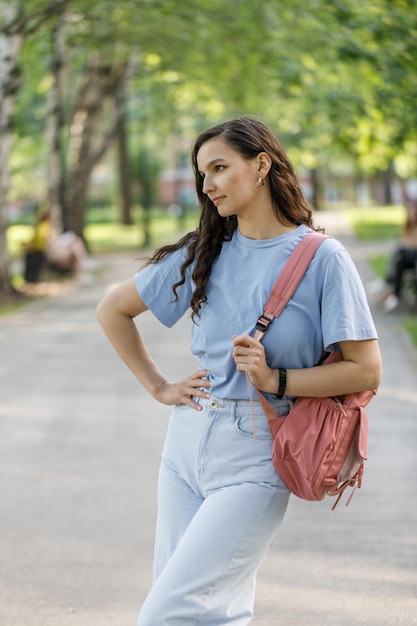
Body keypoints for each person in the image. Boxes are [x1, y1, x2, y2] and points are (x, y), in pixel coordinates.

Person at [96, 117, 381, 625]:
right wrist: (160, 387)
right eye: (202, 173)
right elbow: (112, 309)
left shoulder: (322, 259)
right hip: (184, 447)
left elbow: (366, 370)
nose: (206, 186)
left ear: (262, 166)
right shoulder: (202, 251)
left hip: (257, 454)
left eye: (220, 168)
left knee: (166, 614)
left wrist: (278, 380)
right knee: (212, 615)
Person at [24, 211, 94, 283]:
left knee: (75, 247)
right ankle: (82, 268)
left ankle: (81, 271)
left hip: (55, 251)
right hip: (53, 253)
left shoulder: (42, 227)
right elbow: (47, 242)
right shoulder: (44, 228)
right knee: (75, 246)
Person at [382, 197, 417, 312]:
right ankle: (395, 295)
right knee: (400, 263)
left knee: (399, 250)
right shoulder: (408, 227)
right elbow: (407, 243)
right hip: (411, 259)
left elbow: (411, 244)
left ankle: (387, 282)